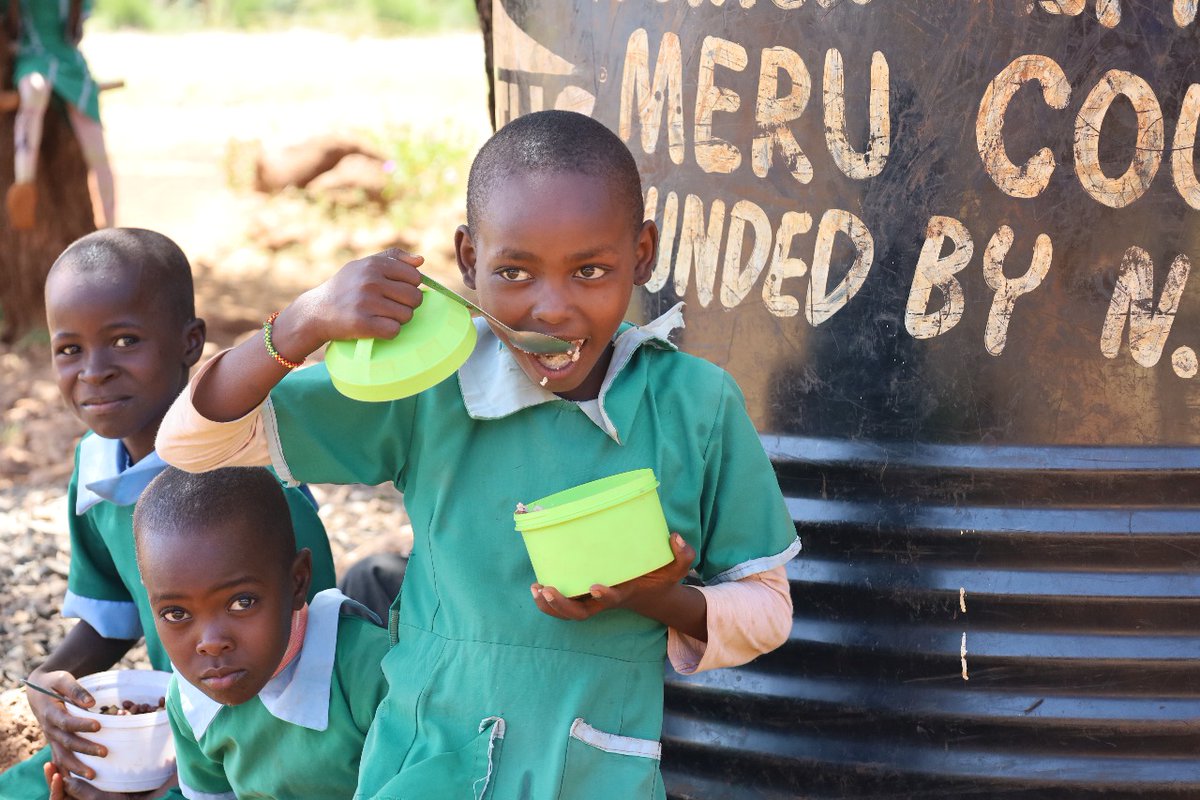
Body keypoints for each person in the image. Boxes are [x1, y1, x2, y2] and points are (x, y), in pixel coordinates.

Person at [157, 110, 800, 799]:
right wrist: (303, 321)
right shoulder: (431, 387)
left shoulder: (694, 405)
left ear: (641, 253)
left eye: (590, 270)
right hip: (427, 762)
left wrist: (657, 598)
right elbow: (194, 442)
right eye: (514, 272)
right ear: (468, 259)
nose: (552, 309)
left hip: (593, 774)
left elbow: (767, 611)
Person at [0, 228, 337, 800]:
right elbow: (113, 613)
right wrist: (48, 684)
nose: (94, 370)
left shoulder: (251, 478)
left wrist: (176, 779)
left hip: (267, 746)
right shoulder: (96, 465)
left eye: (124, 340)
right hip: (166, 728)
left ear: (190, 342)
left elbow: (316, 655)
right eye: (69, 349)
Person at [122, 465, 388, 800]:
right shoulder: (190, 699)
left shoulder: (372, 672)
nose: (211, 643)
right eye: (176, 613)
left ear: (298, 582)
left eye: (241, 602)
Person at [3, 0, 115, 230]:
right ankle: (23, 184)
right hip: (32, 58)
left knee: (96, 145)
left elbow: (75, 33)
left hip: (69, 63)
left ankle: (112, 226)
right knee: (34, 90)